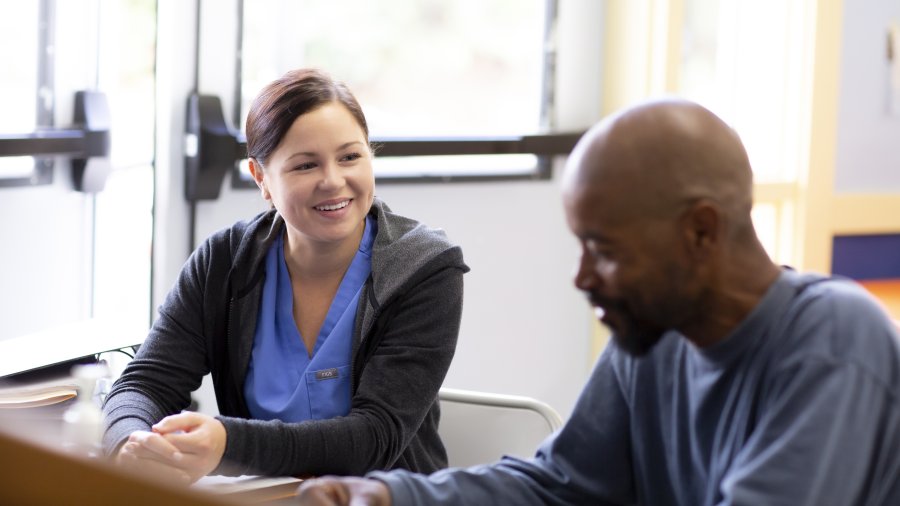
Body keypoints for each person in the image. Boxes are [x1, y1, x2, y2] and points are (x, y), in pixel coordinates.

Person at [294, 98, 900, 505]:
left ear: (701, 231)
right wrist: (389, 496)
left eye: (605, 250)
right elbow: (562, 483)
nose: (584, 278)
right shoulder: (656, 335)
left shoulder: (834, 340)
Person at [101, 68, 469, 484]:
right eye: (306, 165)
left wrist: (227, 444)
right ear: (261, 178)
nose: (333, 181)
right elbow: (147, 383)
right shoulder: (223, 262)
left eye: (350, 156)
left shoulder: (423, 267)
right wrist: (131, 445)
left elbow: (376, 435)